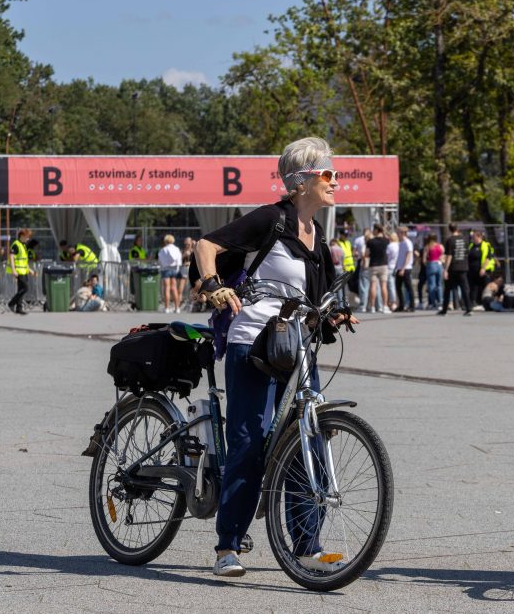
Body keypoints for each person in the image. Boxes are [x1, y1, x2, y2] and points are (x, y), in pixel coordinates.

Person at [190, 136, 356, 578]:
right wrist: (213, 284)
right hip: (253, 344)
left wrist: (336, 316)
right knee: (250, 440)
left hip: (296, 346)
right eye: (328, 174)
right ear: (301, 182)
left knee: (310, 439)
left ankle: (306, 545)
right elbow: (206, 246)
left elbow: (318, 298)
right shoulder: (271, 220)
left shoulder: (318, 237)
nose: (335, 181)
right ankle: (227, 546)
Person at [438, 223, 470, 316]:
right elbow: (466, 252)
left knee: (447, 289)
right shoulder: (465, 239)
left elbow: (449, 255)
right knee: (464, 288)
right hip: (463, 267)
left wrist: (445, 269)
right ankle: (468, 308)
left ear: (449, 229)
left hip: (453, 268)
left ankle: (444, 309)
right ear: (458, 228)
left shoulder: (450, 240)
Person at [6, 228, 33, 315]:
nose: (28, 239)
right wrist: (13, 270)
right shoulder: (16, 245)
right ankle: (11, 303)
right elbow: (12, 257)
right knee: (25, 288)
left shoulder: (23, 245)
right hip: (18, 270)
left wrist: (29, 269)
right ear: (22, 236)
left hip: (23, 270)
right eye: (27, 237)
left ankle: (19, 308)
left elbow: (24, 260)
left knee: (21, 289)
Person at [365, 224, 391, 313]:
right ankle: (385, 306)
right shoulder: (386, 240)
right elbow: (388, 237)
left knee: (373, 286)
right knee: (384, 286)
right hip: (383, 265)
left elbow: (366, 254)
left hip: (373, 265)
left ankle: (372, 307)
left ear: (376, 230)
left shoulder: (370, 241)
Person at [157, 234, 183, 314]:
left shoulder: (163, 250)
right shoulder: (176, 249)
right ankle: (177, 308)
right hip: (174, 269)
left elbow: (160, 261)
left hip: (165, 269)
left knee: (167, 289)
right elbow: (179, 260)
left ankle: (167, 308)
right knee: (174, 288)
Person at [394, 225, 415, 312]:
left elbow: (408, 255)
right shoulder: (401, 242)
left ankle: (412, 306)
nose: (397, 234)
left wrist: (403, 268)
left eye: (398, 232)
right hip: (399, 267)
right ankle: (401, 305)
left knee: (408, 287)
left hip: (406, 268)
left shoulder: (407, 242)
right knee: (398, 287)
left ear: (402, 233)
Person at [423, 233, 444, 310]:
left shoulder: (427, 247)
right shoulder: (440, 246)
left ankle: (433, 303)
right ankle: (440, 302)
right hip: (439, 264)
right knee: (439, 285)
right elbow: (442, 256)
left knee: (431, 285)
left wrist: (427, 264)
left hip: (431, 264)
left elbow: (424, 260)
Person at [385, 231, 399, 311]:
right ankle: (396, 302)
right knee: (396, 286)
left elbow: (387, 256)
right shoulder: (398, 245)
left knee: (391, 286)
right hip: (396, 266)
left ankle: (392, 302)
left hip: (390, 266)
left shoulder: (390, 246)